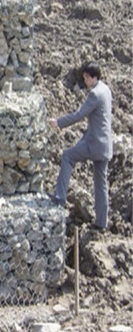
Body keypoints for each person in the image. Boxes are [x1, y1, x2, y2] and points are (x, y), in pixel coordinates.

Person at [48, 61, 113, 229]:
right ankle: (101, 223)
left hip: (95, 145)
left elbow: (79, 115)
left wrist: (58, 122)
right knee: (101, 184)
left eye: (86, 78)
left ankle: (59, 198)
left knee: (68, 156)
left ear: (94, 77)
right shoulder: (105, 89)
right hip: (105, 145)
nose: (84, 81)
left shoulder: (94, 95)